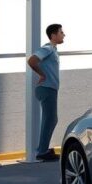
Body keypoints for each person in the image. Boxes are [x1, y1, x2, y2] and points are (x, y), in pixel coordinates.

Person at [27, 24, 65, 161]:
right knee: (51, 119)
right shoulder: (48, 48)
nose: (64, 34)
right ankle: (42, 151)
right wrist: (42, 74)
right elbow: (32, 61)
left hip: (50, 89)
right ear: (53, 35)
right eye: (61, 32)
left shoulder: (53, 50)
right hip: (46, 88)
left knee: (49, 119)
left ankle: (43, 149)